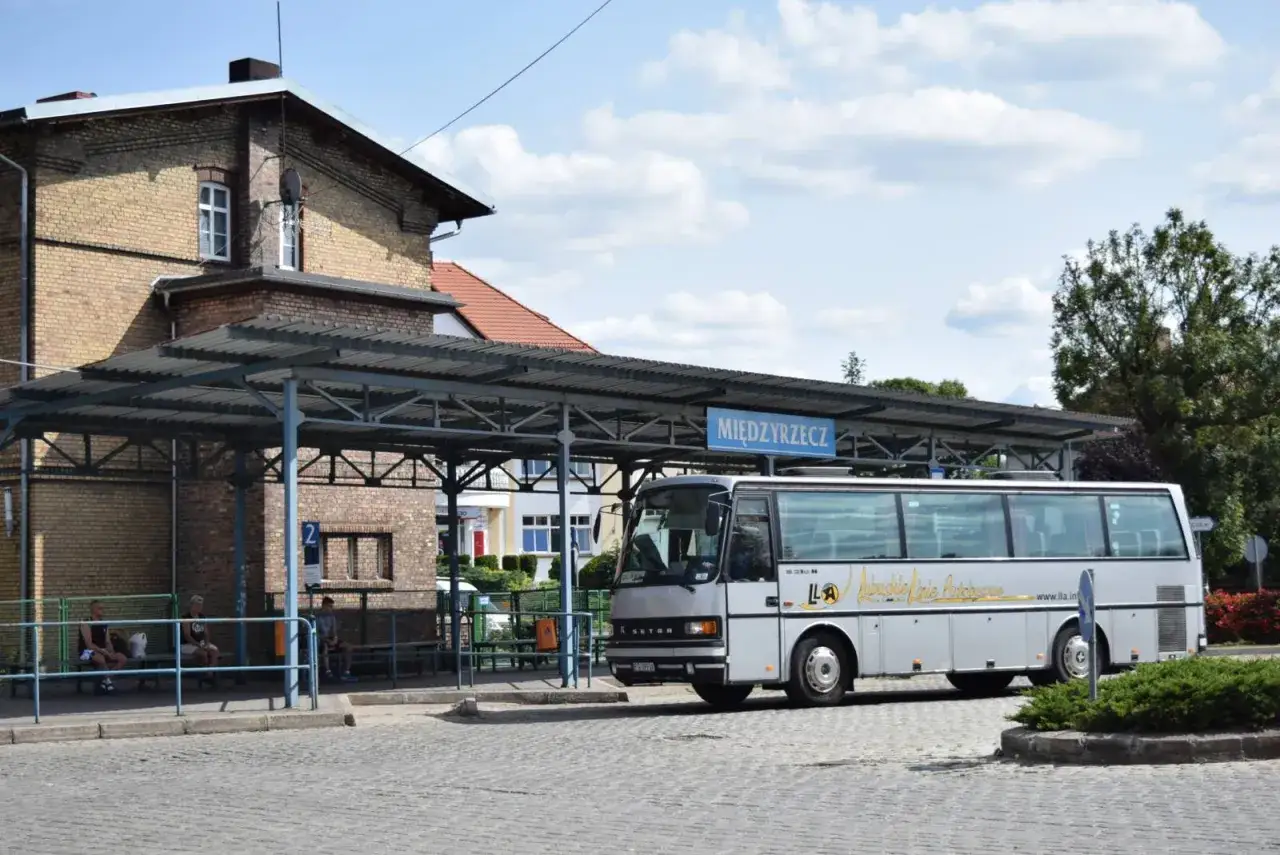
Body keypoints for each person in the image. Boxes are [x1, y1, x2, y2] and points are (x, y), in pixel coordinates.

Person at [79, 599, 127, 695]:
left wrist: (111, 652)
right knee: (101, 659)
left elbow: (108, 642)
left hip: (102, 651)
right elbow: (89, 644)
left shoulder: (104, 623)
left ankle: (105, 681)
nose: (102, 610)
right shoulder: (85, 623)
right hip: (85, 652)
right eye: (100, 608)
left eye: (103, 608)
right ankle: (108, 685)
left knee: (122, 658)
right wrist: (103, 652)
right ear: (93, 609)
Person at [181, 595, 220, 687]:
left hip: (200, 643)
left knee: (214, 650)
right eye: (197, 605)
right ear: (192, 605)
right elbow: (187, 635)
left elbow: (206, 633)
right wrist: (198, 645)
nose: (199, 607)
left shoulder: (202, 617)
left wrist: (206, 643)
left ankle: (209, 675)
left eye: (201, 605)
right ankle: (204, 675)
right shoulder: (186, 617)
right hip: (187, 644)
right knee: (203, 654)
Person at [315, 596, 356, 683]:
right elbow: (316, 633)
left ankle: (346, 672)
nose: (331, 609)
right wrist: (327, 641)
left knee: (348, 647)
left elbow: (334, 632)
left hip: (330, 639)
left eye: (332, 606)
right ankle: (327, 672)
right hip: (321, 640)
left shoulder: (332, 617)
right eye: (330, 606)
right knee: (325, 647)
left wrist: (335, 639)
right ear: (324, 605)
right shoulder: (317, 617)